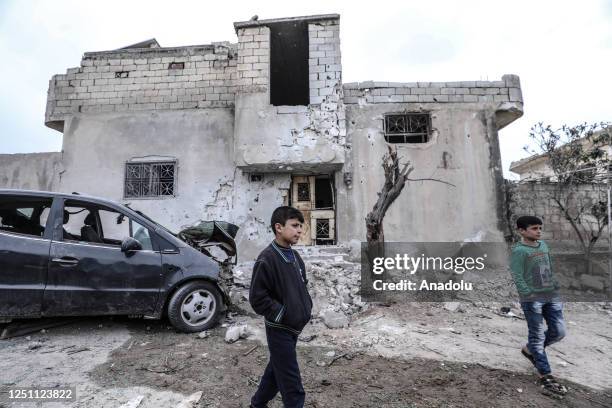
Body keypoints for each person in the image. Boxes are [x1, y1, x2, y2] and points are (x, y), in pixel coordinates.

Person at [249, 206, 313, 408]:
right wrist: (282, 313)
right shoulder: (267, 258)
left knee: (276, 371)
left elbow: (301, 287)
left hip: (294, 327)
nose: (299, 231)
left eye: (300, 226)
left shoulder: (295, 257)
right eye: (294, 226)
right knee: (292, 385)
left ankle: (257, 404)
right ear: (278, 227)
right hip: (280, 329)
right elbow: (257, 298)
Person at [510, 215, 567, 395]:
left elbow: (548, 266)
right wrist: (528, 293)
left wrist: (555, 284)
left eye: (540, 228)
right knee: (537, 336)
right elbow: (517, 275)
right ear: (521, 231)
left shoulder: (543, 246)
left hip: (551, 295)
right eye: (534, 228)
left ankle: (530, 350)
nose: (539, 231)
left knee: (559, 331)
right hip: (533, 299)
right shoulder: (519, 251)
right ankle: (545, 374)